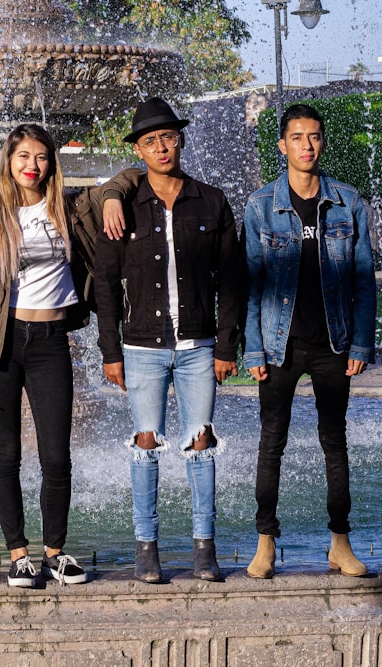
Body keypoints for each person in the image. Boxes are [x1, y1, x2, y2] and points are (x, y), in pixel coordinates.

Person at [95, 97, 245, 583]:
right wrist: (110, 351)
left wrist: (227, 345)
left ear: (180, 140)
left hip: (199, 345)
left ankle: (205, 548)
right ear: (137, 150)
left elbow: (233, 279)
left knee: (201, 442)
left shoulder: (212, 201)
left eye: (168, 138)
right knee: (145, 444)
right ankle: (147, 547)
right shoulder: (122, 209)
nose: (161, 147)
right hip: (141, 348)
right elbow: (104, 284)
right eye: (150, 141)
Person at [0, 123, 99, 588]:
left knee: (57, 456)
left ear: (51, 163)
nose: (31, 166)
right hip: (4, 343)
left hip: (52, 340)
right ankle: (18, 553)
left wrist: (114, 196)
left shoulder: (69, 209)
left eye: (40, 157)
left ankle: (55, 551)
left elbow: (124, 181)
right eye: (23, 157)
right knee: (8, 455)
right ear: (8, 161)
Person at [242, 103, 376, 579]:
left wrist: (361, 345)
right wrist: (253, 349)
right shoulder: (260, 205)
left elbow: (363, 280)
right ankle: (266, 543)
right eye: (297, 137)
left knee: (333, 443)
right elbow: (251, 284)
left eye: (314, 137)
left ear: (322, 142)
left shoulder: (347, 202)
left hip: (333, 345)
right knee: (271, 443)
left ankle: (340, 542)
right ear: (282, 146)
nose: (306, 145)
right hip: (279, 348)